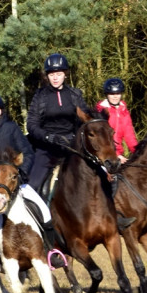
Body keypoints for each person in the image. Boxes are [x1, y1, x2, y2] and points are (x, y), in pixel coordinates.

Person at [0, 93, 67, 279]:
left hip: (16, 185)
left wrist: (23, 172)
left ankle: (51, 253)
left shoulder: (11, 129)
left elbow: (27, 152)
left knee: (44, 210)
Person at [25, 53, 97, 197]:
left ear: (65, 74)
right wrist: (47, 137)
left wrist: (75, 137)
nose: (55, 77)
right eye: (52, 74)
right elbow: (31, 124)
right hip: (47, 148)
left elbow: (86, 121)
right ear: (47, 76)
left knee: (101, 174)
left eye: (59, 74)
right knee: (32, 185)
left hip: (72, 146)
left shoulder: (75, 94)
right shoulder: (40, 96)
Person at [96, 78, 138, 163]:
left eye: (118, 93)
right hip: (104, 154)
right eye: (112, 94)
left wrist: (138, 152)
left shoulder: (124, 112)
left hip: (118, 155)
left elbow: (129, 135)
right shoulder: (101, 111)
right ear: (107, 95)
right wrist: (116, 154)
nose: (115, 96)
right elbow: (101, 139)